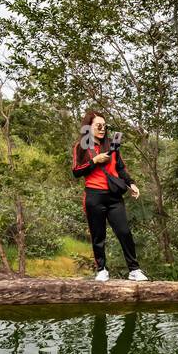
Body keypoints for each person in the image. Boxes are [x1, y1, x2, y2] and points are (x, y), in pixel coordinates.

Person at [72, 110, 148, 282]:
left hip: (114, 196)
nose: (102, 128)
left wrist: (132, 184)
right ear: (88, 127)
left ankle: (134, 270)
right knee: (98, 235)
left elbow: (120, 168)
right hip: (94, 195)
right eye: (98, 125)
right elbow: (76, 171)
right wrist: (94, 161)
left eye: (104, 126)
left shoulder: (113, 145)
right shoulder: (81, 146)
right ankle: (102, 269)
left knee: (124, 232)